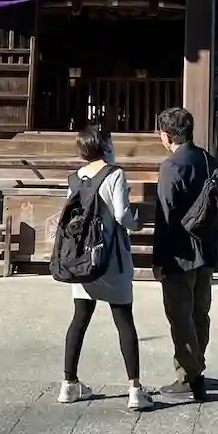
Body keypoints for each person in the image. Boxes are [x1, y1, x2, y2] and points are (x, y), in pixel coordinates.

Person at [59, 123, 153, 411]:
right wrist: (136, 223)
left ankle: (69, 384)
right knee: (124, 319)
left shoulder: (75, 178)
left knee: (79, 319)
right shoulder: (114, 174)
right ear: (106, 146)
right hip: (111, 258)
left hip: (82, 259)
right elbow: (122, 214)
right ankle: (135, 389)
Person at [151, 106, 218, 401]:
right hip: (205, 249)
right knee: (199, 314)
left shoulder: (170, 167)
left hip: (179, 253)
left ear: (167, 135)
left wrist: (158, 260)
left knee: (180, 318)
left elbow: (165, 218)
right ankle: (194, 367)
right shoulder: (207, 159)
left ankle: (192, 378)